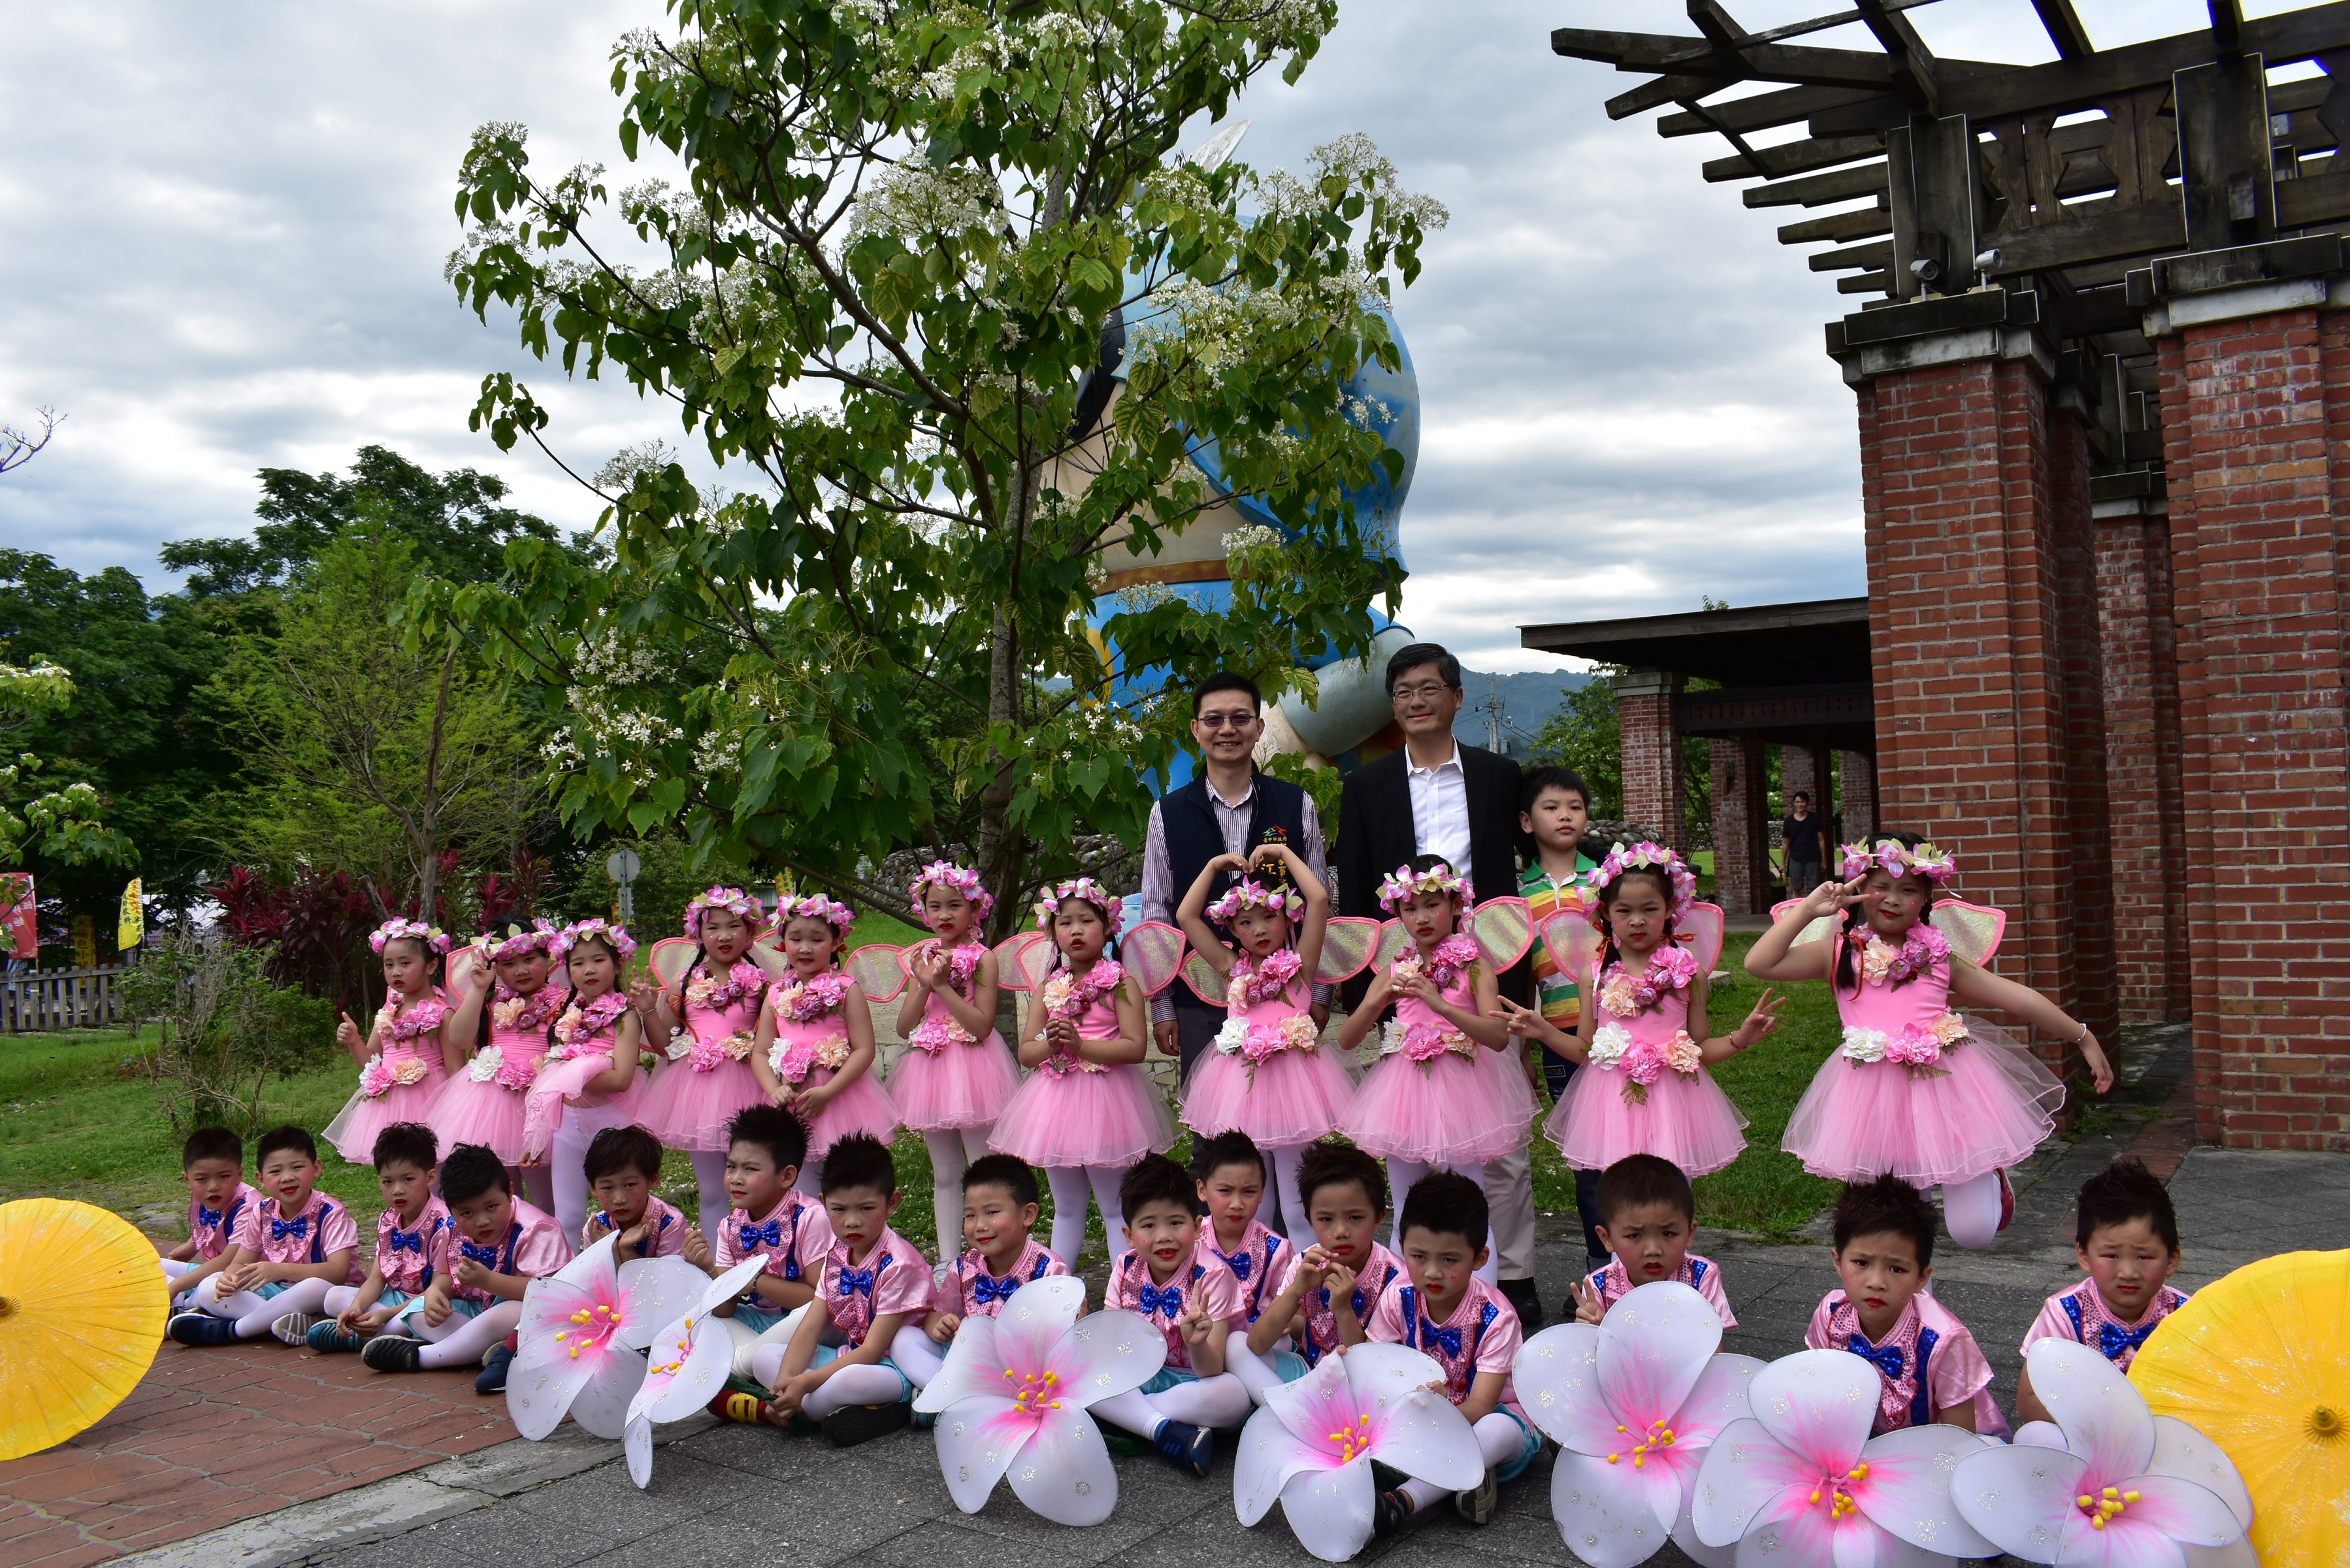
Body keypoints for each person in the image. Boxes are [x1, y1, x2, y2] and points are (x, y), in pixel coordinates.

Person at [1746, 835, 2115, 1249]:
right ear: (1860, 888)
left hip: (1948, 1092)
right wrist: (1809, 910)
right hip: (1871, 1102)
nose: (1893, 899)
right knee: (1892, 1232)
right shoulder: (1840, 953)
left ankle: (1991, 1178)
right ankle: (1919, 1288)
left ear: (1925, 899)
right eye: (1880, 886)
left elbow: (2018, 998)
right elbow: (1759, 963)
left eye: (1908, 890)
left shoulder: (1939, 957)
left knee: (1973, 1233)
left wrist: (2083, 1037)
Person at [1332, 642, 1540, 1326]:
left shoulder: (1499, 774)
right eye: (1403, 692)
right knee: (1411, 1142)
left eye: (1428, 688)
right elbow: (1357, 886)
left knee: (1497, 1143)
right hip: (1407, 970)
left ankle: (1511, 1275)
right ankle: (1411, 1290)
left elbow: (1525, 865)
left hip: (1486, 965)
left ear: (1456, 696)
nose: (1416, 702)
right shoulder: (1366, 785)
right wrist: (1371, 989)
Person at [1507, 841, 1779, 1179]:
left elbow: (1700, 1049)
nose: (1637, 921)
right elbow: (1585, 1050)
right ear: (1606, 912)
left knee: (1669, 1187)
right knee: (1621, 1190)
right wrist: (1545, 1031)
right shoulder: (1594, 976)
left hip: (1672, 1102)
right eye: (1624, 911)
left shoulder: (1690, 975)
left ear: (1670, 907)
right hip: (1614, 1102)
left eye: (1650, 909)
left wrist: (1740, 1039)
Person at [1336, 856, 1532, 1284]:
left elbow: (1497, 1037)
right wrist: (1376, 1001)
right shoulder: (1395, 969)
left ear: (1456, 905)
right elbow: (1347, 1039)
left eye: (1432, 905)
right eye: (1410, 909)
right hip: (1403, 1093)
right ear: (1397, 913)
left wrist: (1440, 1003)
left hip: (1462, 1089)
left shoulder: (1474, 966)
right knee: (1405, 1204)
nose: (1421, 918)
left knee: (1468, 1201)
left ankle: (1481, 1300)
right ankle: (1401, 1298)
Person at [1139, 672, 1331, 1079]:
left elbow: (1321, 900)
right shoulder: (1168, 813)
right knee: (1212, 1115)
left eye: (1240, 718)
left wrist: (1318, 991)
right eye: (1214, 719)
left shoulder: (1295, 804)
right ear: (1196, 730)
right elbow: (1158, 914)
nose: (1227, 729)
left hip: (1285, 994)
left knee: (1287, 1106)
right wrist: (1163, 1006)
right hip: (1198, 995)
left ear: (1259, 727)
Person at [988, 877, 1175, 1264]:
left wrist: (1080, 1046)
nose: (1076, 930)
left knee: (1114, 1206)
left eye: (1086, 921)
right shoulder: (1048, 987)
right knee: (1067, 1207)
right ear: (1052, 932)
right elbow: (1027, 1052)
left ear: (1107, 928)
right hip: (1055, 1102)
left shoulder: (1120, 984)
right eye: (1065, 922)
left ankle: (1124, 1286)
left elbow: (1135, 1047)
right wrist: (1052, 1045)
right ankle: (1057, 1288)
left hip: (1108, 1101)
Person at [1175, 841, 1352, 1247]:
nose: (1258, 929)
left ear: (1287, 918)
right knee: (1258, 1198)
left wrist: (1284, 856)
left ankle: (1303, 1274)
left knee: (1296, 1198)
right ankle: (1263, 1275)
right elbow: (1186, 916)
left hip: (1294, 1087)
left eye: (1269, 917)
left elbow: (1318, 898)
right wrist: (1212, 865)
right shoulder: (1230, 968)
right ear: (1233, 929)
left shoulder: (1300, 966)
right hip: (1242, 1088)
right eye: (1246, 922)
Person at [1363, 1171, 1541, 1537]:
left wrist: (1438, 1418)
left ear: (1480, 1257)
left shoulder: (1497, 1317)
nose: (1432, 1272)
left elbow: (1483, 1404)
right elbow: (1375, 1365)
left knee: (1499, 1430)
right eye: (1419, 1256)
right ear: (1401, 1246)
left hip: (1484, 1418)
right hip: (1420, 1421)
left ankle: (1403, 1501)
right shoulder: (1399, 1295)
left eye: (1449, 1260)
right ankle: (1466, 1480)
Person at [756, 1133, 938, 1446]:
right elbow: (810, 1327)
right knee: (764, 1358)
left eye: (866, 1208)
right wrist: (785, 1384)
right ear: (824, 1203)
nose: (852, 1222)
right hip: (851, 1354)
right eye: (839, 1209)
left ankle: (899, 1400)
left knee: (846, 1382)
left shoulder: (900, 1264)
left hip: (894, 1366)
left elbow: (872, 1351)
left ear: (892, 1203)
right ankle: (826, 1408)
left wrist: (804, 1383)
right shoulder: (837, 1254)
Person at [360, 1142, 573, 1392]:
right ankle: (482, 1350)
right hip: (476, 1313)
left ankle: (423, 1357)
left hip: (527, 1315)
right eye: (467, 1213)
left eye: (491, 1207)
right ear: (451, 1210)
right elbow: (444, 1274)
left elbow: (549, 1291)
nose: (482, 1221)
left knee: (508, 1313)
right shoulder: (452, 1228)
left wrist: (489, 1281)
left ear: (510, 1190)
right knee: (418, 1310)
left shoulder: (535, 1229)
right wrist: (436, 1293)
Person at [1090, 1154, 1251, 1478]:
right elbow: (1109, 1343)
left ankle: (1132, 1421)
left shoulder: (1214, 1275)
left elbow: (1212, 1369)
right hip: (1140, 1377)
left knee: (1234, 1397)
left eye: (1176, 1223)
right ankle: (1166, 1431)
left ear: (1197, 1226)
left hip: (1195, 1384)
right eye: (1149, 1225)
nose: (1164, 1236)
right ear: (1129, 1235)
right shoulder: (1126, 1266)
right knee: (1081, 1370)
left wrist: (1197, 1343)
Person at [1804, 1174, 2004, 1435]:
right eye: (1861, 1263)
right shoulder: (1831, 1314)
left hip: (1943, 1444)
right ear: (1838, 1261)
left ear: (1922, 1278)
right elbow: (1818, 1394)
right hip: (1860, 1440)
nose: (1877, 1283)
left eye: (1897, 1269)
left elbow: (1959, 1438)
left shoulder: (1943, 1340)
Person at [890, 861, 1019, 1256]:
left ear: (974, 908)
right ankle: (948, 1258)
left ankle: (992, 1254)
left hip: (975, 1066)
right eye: (935, 906)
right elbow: (904, 1027)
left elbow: (981, 1026)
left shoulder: (984, 959)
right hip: (930, 1069)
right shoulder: (923, 957)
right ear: (923, 911)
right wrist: (922, 984)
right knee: (945, 1172)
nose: (944, 915)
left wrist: (942, 987)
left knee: (983, 1170)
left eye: (954, 905)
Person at [632, 887, 774, 1222]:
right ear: (699, 934)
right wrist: (649, 1010)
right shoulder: (682, 984)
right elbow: (665, 1047)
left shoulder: (764, 984)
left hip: (751, 1086)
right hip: (697, 1092)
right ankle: (716, 1253)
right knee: (712, 1190)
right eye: (714, 927)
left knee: (754, 1185)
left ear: (750, 932)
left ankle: (756, 1247)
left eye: (734, 926)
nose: (724, 936)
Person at [1515, 765, 1608, 1269]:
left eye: (1574, 806)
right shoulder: (1517, 895)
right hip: (1559, 1037)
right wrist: (1523, 1051)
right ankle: (1600, 1271)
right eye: (1551, 807)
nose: (1565, 815)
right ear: (1527, 821)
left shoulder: (1606, 882)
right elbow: (1522, 979)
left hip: (1619, 1034)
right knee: (1586, 1162)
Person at [2017, 1157, 2189, 1424]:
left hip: (2165, 1430)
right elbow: (2029, 1400)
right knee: (2037, 1434)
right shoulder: (2065, 1313)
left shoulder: (2185, 1315)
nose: (2128, 1272)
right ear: (2084, 1255)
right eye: (2111, 1256)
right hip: (2084, 1431)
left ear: (2172, 1259)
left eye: (2144, 1257)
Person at [747, 892, 897, 1192]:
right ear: (782, 941)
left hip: (841, 1096)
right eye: (795, 939)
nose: (805, 948)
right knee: (799, 1180)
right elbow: (761, 1052)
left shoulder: (846, 988)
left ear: (835, 942)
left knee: (848, 1180)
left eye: (817, 940)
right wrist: (774, 1089)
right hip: (794, 1100)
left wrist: (828, 1092)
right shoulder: (776, 993)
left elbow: (865, 1049)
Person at [683, 1103, 832, 1399]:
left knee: (815, 1309)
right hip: (762, 1324)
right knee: (697, 1320)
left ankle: (739, 1367)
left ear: (786, 1176)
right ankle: (760, 1363)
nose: (736, 1178)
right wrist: (708, 1269)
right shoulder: (730, 1226)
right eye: (731, 1166)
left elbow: (819, 1299)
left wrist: (754, 1282)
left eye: (750, 1169)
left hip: (810, 1323)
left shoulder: (810, 1217)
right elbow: (725, 1310)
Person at [167, 1124, 361, 1345]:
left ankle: (234, 1330)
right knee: (208, 1288)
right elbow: (240, 1262)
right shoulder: (262, 1211)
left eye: (297, 1167)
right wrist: (229, 1278)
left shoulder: (332, 1213)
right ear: (260, 1178)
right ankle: (288, 1323)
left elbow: (338, 1272)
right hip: (278, 1291)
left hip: (327, 1294)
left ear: (316, 1168)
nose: (287, 1178)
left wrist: (280, 1270)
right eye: (275, 1172)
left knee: (313, 1287)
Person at [523, 919, 647, 1243]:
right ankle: (569, 1272)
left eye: (599, 960)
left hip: (612, 1122)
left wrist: (567, 1075)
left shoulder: (625, 1016)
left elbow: (621, 1078)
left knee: (626, 1209)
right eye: (578, 963)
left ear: (618, 964)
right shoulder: (566, 1016)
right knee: (568, 1215)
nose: (589, 970)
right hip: (568, 1124)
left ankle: (631, 1264)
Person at [431, 919, 563, 1214]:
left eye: (530, 959)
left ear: (548, 957)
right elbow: (459, 1038)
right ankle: (510, 1239)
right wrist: (479, 990)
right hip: (490, 1108)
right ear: (496, 968)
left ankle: (548, 1239)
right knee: (502, 1192)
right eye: (508, 964)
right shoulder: (489, 1004)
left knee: (546, 1196)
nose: (521, 970)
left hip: (540, 1108)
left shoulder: (563, 1003)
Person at [1246, 1143, 1402, 1390]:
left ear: (1379, 1218)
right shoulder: (1306, 1264)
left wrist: (1343, 1309)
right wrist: (1295, 1292)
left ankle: (1286, 1403)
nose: (1340, 1231)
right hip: (1309, 1374)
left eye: (1355, 1218)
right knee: (1238, 1347)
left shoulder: (1395, 1279)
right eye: (1326, 1219)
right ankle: (1290, 1401)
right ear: (1310, 1219)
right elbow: (1257, 1344)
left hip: (1366, 1388)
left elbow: (1369, 1368)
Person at [293, 1122, 450, 1352]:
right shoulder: (388, 1219)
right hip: (392, 1299)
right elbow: (376, 1279)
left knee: (418, 1317)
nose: (397, 1190)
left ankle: (358, 1338)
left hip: (423, 1303)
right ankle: (380, 1334)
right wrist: (356, 1308)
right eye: (388, 1181)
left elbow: (440, 1289)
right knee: (334, 1297)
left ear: (430, 1178)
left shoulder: (444, 1223)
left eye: (408, 1179)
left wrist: (384, 1315)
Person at [325, 919, 461, 1166]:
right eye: (389, 964)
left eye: (405, 963)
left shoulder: (443, 1014)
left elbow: (456, 1071)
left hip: (430, 1102)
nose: (396, 971)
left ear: (431, 966)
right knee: (396, 1167)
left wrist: (453, 1114)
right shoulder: (388, 1012)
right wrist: (354, 1040)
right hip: (388, 1105)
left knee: (430, 1166)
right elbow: (372, 1062)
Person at [1567, 1153, 1735, 1329]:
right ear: (1606, 1238)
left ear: (1690, 1233)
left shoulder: (1700, 1278)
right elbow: (1593, 1346)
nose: (1653, 1250)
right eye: (1635, 1236)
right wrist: (1594, 1329)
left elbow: (1715, 1343)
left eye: (1668, 1234)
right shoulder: (1599, 1288)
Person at [1186, 1131, 1294, 1403]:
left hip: (1255, 1342)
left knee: (1247, 1345)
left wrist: (1283, 1320)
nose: (1237, 1204)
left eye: (1249, 1192)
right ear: (1202, 1190)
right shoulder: (1190, 1241)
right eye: (1225, 1191)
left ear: (1263, 1192)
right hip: (1203, 1338)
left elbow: (1298, 1317)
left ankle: (1282, 1406)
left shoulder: (1276, 1249)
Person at [926, 1153, 1071, 1346]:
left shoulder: (1049, 1271)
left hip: (1031, 1361)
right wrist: (941, 1327)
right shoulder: (964, 1269)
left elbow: (1062, 1336)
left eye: (991, 1213)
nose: (980, 1226)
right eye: (970, 1215)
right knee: (908, 1340)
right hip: (974, 1356)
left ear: (1028, 1214)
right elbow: (936, 1314)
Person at [160, 1126, 255, 1309]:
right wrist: (190, 1246)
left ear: (240, 1174)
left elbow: (228, 1260)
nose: (213, 1187)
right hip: (217, 1271)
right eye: (202, 1179)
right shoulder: (207, 1197)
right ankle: (179, 1303)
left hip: (244, 1277)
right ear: (188, 1180)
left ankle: (181, 1304)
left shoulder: (249, 1206)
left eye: (224, 1176)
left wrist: (176, 1286)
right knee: (153, 1267)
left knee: (208, 1288)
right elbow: (207, 1226)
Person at [579, 1124, 688, 1259]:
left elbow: (670, 1272)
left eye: (630, 1185)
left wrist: (627, 1250)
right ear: (593, 1188)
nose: (619, 1199)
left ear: (653, 1180)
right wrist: (610, 1248)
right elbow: (595, 1272)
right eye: (607, 1187)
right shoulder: (597, 1229)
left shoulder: (671, 1224)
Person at [1780, 790, 1829, 896]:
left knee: (1815, 888)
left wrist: (1823, 861)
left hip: (1813, 858)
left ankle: (1814, 907)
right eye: (1797, 802)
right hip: (1795, 858)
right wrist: (1782, 863)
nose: (1800, 804)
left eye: (1802, 802)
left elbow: (1821, 840)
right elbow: (1785, 843)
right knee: (1796, 887)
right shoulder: (1789, 821)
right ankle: (1798, 906)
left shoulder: (1815, 819)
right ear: (1794, 803)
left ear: (1807, 803)